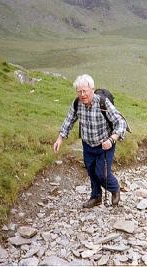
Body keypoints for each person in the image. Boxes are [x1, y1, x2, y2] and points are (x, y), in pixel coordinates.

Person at [53, 74, 127, 208]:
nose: (82, 95)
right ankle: (96, 196)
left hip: (105, 145)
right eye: (79, 91)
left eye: (85, 91)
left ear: (92, 89)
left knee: (101, 173)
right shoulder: (77, 104)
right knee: (91, 171)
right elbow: (69, 120)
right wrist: (60, 138)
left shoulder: (103, 103)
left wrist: (112, 139)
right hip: (87, 144)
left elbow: (121, 122)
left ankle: (115, 189)